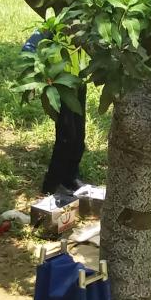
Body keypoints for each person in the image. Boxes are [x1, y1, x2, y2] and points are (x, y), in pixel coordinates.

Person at [23, 28, 89, 194]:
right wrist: (41, 73)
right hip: (60, 86)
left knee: (79, 135)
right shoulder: (52, 28)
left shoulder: (86, 25)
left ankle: (71, 176)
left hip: (78, 85)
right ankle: (53, 183)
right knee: (67, 136)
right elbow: (28, 49)